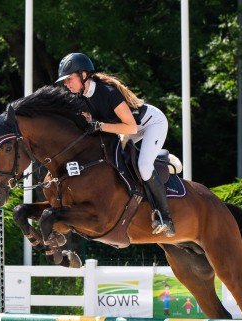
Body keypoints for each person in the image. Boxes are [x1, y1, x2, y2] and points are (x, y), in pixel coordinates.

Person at [56, 52, 175, 237]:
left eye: (69, 79)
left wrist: (100, 125)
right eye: (65, 80)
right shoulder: (80, 97)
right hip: (127, 129)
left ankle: (165, 217)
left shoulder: (107, 92)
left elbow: (131, 127)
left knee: (143, 166)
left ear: (84, 75)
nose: (66, 83)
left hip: (151, 124)